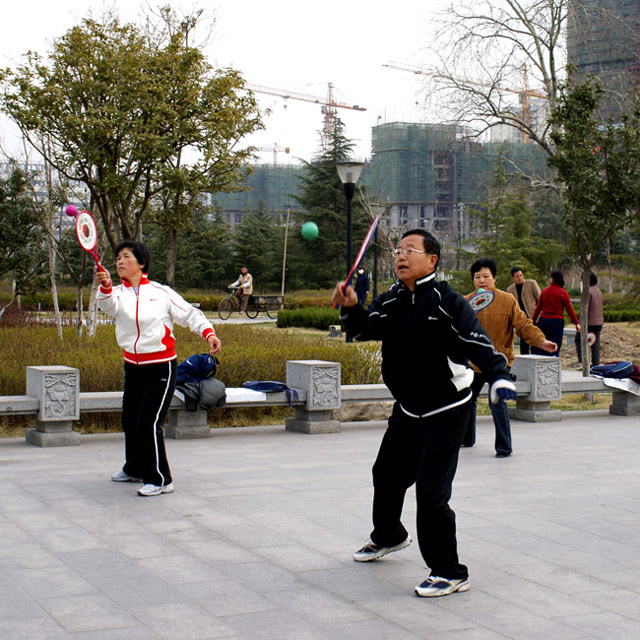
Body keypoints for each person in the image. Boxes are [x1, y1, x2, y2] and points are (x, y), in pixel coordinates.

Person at [332, 229, 517, 598]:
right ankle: (389, 535)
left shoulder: (448, 301)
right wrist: (352, 306)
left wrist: (498, 376)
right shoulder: (395, 298)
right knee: (385, 474)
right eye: (398, 250)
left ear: (432, 260)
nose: (400, 256)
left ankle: (449, 571)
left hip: (447, 409)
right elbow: (366, 328)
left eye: (410, 250)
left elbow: (477, 340)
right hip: (409, 409)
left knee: (432, 492)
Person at [96, 240, 221, 497]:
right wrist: (106, 286)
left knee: (148, 422)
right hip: (133, 366)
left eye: (126, 256)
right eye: (118, 257)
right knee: (129, 419)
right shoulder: (117, 293)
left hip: (160, 368)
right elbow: (107, 307)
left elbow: (189, 314)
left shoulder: (161, 292)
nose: (120, 261)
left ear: (141, 263)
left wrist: (209, 334)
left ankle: (160, 479)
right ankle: (134, 468)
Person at [463, 259, 557, 457]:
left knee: (497, 401)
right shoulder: (466, 302)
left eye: (486, 276)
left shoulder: (507, 300)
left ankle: (504, 446)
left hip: (499, 361)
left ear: (494, 278)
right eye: (477, 277)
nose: (481, 280)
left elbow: (523, 325)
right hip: (474, 362)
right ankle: (467, 438)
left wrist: (541, 341)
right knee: (467, 400)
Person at [531, 271, 580, 358]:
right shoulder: (563, 292)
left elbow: (538, 308)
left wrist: (532, 321)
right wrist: (576, 323)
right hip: (557, 321)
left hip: (544, 320)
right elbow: (569, 309)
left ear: (552, 279)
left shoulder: (545, 291)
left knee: (544, 343)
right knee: (555, 345)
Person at [506, 266, 541, 355]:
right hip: (521, 319)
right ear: (513, 278)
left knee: (535, 338)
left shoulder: (532, 283)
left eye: (521, 275)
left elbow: (540, 299)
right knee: (524, 341)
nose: (520, 278)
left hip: (534, 316)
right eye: (517, 276)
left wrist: (539, 312)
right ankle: (524, 359)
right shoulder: (510, 290)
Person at [574, 272, 604, 366]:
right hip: (599, 321)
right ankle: (595, 364)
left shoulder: (587, 291)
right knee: (595, 343)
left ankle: (582, 362)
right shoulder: (598, 291)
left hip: (589, 322)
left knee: (579, 340)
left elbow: (585, 309)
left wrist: (579, 323)